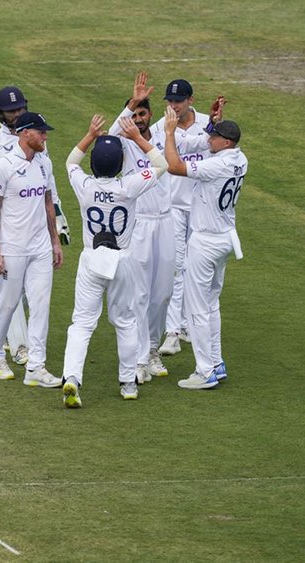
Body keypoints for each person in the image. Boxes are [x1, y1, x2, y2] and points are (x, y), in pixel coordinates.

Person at [61, 114, 169, 407]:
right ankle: (128, 383)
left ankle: (72, 378)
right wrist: (138, 139)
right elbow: (161, 165)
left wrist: (89, 135)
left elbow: (71, 162)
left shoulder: (84, 185)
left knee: (82, 324)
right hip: (123, 259)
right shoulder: (128, 186)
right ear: (120, 164)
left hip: (91, 259)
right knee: (125, 322)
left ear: (94, 163)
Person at [0, 86, 71, 366]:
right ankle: (18, 346)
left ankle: (10, 334)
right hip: (7, 227)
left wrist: (58, 218)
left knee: (28, 292)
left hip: (35, 225)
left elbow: (47, 182)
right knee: (9, 293)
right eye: (11, 110)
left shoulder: (37, 137)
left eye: (20, 109)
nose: (16, 114)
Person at [161, 110, 248, 389]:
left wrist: (170, 133)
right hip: (225, 238)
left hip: (206, 242)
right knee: (211, 304)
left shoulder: (216, 166)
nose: (209, 139)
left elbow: (174, 166)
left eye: (215, 137)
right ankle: (216, 362)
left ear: (227, 143)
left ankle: (204, 371)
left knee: (196, 308)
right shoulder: (240, 159)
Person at [0, 111, 63, 388]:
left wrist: (54, 242)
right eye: (41, 132)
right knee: (7, 304)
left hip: (40, 248)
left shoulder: (44, 164)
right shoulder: (3, 166)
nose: (45, 137)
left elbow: (48, 203)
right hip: (12, 248)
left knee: (41, 305)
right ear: (25, 133)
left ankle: (36, 367)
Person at [106, 72, 175, 383]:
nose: (138, 119)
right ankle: (139, 358)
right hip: (140, 224)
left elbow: (193, 141)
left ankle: (153, 349)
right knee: (140, 294)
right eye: (133, 115)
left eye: (142, 113)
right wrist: (131, 103)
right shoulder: (123, 141)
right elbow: (108, 134)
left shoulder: (163, 135)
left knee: (163, 293)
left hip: (166, 221)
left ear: (150, 115)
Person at [155, 79, 214, 357]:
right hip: (175, 207)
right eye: (169, 101)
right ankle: (172, 332)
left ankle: (190, 323)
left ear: (191, 100)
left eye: (178, 101)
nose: (173, 106)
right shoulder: (162, 126)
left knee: (198, 267)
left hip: (203, 206)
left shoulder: (208, 123)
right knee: (177, 268)